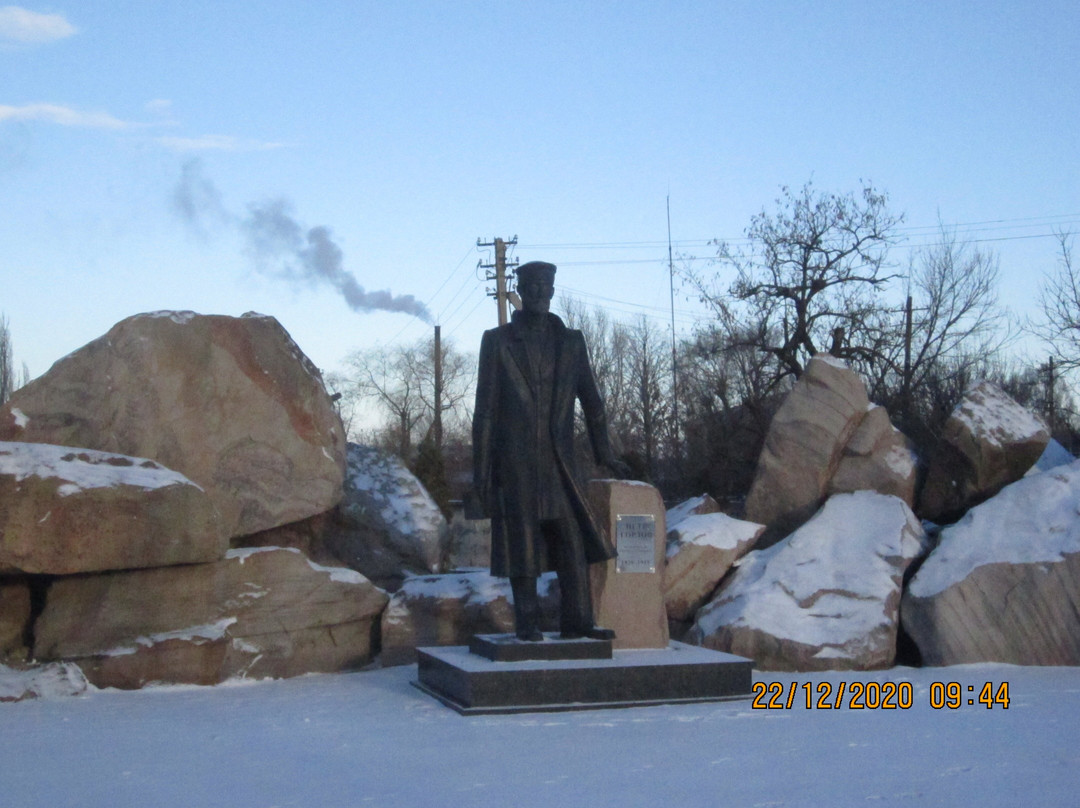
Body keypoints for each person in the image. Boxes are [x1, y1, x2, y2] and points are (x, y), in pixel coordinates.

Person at [471, 260, 627, 641]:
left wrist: (604, 452)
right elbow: (485, 414)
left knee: (570, 540)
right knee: (521, 541)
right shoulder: (498, 341)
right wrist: (482, 476)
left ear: (554, 291)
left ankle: (578, 621)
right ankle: (527, 622)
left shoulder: (571, 342)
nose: (541, 292)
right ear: (521, 291)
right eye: (533, 286)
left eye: (547, 286)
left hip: (560, 464)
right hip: (516, 463)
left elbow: (593, 402)